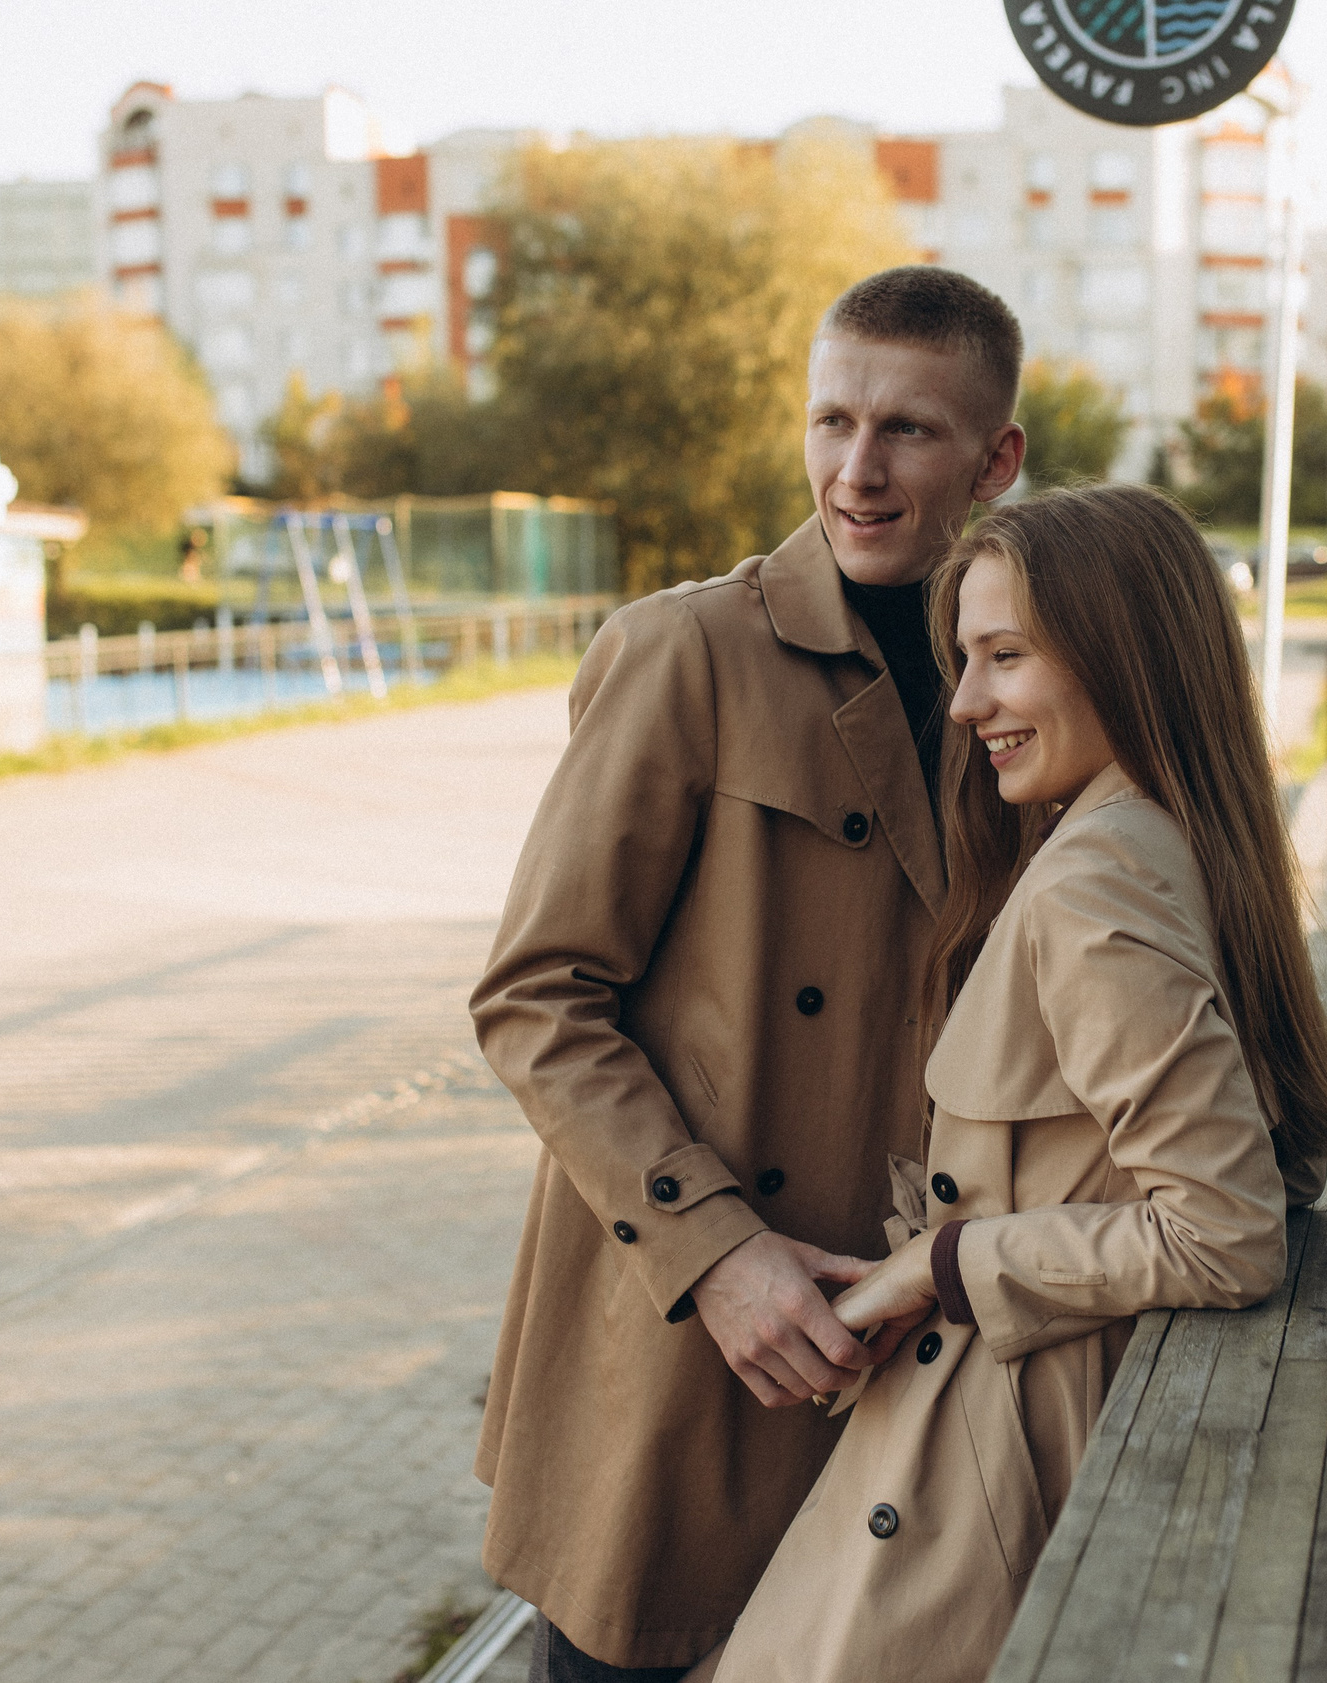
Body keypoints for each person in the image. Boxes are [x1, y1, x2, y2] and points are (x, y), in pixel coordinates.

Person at [468, 267, 1028, 1681]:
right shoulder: (682, 652)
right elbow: (537, 996)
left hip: (913, 1330)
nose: (858, 469)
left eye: (906, 428)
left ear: (996, 458)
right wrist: (717, 1252)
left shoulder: (1027, 677)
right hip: (695, 1343)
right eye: (831, 419)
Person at [697, 483, 1327, 1683]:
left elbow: (1227, 1232)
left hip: (986, 1468)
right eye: (963, 658)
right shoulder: (1172, 835)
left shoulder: (1093, 886)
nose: (966, 703)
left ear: (1124, 660)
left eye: (1005, 657)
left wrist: (938, 1262)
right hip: (1007, 1427)